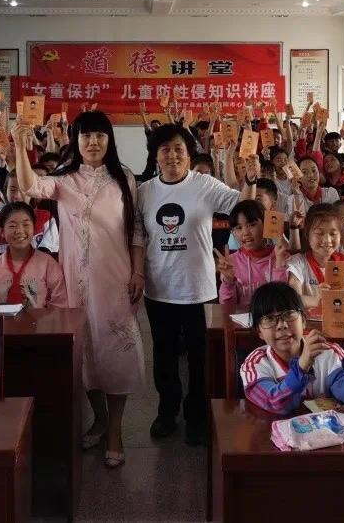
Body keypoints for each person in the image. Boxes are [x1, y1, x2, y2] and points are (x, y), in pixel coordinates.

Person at [13, 110, 143, 469]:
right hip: (75, 282)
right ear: (76, 140)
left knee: (117, 353)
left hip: (116, 280)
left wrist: (138, 272)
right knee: (86, 354)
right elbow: (29, 187)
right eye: (86, 135)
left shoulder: (124, 178)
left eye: (100, 135)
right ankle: (99, 419)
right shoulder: (63, 179)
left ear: (109, 140)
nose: (93, 142)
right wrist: (20, 148)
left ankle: (115, 429)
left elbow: (136, 229)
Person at [135, 123, 250, 447]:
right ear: (155, 156)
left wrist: (250, 180)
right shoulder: (144, 192)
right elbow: (136, 237)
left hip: (199, 289)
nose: (172, 155)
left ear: (188, 154)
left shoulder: (204, 184)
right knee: (164, 357)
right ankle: (167, 412)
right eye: (165, 149)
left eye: (179, 149)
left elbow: (241, 205)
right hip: (159, 289)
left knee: (200, 358)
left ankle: (197, 416)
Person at [240, 282, 344, 414]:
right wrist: (301, 367)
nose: (282, 325)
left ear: (303, 320)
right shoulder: (254, 364)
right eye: (269, 318)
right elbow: (274, 402)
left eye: (289, 313)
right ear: (259, 332)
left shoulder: (329, 353)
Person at [0, 202, 68, 310]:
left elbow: (60, 307)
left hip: (41, 321)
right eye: (12, 226)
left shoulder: (48, 265)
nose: (19, 231)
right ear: (1, 231)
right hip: (1, 321)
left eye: (26, 225)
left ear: (34, 228)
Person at [287, 203, 344, 309]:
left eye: (333, 234)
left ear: (340, 235)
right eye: (319, 233)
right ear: (307, 234)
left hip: (337, 318)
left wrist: (331, 300)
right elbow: (293, 297)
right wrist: (317, 301)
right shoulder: (297, 262)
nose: (327, 240)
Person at [216, 200, 289, 305]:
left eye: (252, 225)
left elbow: (282, 302)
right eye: (238, 228)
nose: (245, 233)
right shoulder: (230, 262)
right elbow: (227, 307)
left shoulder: (283, 257)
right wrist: (228, 281)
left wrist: (280, 263)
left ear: (266, 224)